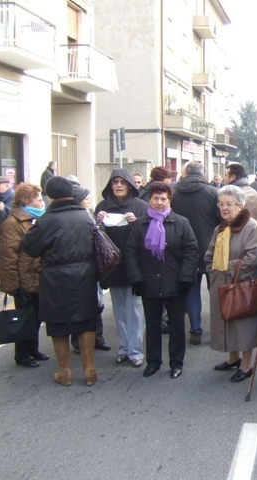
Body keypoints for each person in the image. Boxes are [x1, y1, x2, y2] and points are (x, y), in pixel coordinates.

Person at [21, 177, 98, 387]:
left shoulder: (46, 220)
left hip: (56, 277)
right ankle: (89, 369)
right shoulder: (86, 216)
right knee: (86, 321)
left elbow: (29, 247)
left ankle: (65, 372)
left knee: (58, 323)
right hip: (85, 274)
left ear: (49, 196)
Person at [125, 181, 198, 379]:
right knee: (152, 324)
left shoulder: (181, 222)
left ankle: (176, 362)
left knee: (176, 324)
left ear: (169, 200)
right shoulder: (140, 224)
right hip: (148, 281)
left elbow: (192, 251)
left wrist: (185, 277)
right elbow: (131, 252)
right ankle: (153, 362)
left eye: (163, 199)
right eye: (155, 198)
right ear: (149, 199)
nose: (159, 202)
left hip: (175, 282)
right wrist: (136, 278)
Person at [205, 185, 257, 383]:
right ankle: (233, 358)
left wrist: (225, 267)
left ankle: (247, 364)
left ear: (240, 206)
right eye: (221, 204)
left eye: (229, 204)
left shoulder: (252, 227)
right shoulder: (221, 228)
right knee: (227, 320)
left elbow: (253, 259)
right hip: (221, 283)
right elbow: (209, 256)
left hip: (243, 284)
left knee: (244, 324)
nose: (224, 208)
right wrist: (214, 271)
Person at [95, 169, 149, 367]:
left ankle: (136, 351)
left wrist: (138, 222)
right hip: (112, 266)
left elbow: (150, 233)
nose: (118, 185)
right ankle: (123, 348)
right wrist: (98, 222)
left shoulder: (140, 206)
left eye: (122, 182)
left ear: (129, 186)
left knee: (135, 309)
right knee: (118, 309)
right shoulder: (102, 206)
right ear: (110, 185)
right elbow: (96, 237)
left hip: (134, 264)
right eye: (115, 182)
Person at [0, 183, 48, 368]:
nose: (42, 203)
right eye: (38, 200)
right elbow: (7, 259)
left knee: (35, 317)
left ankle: (33, 349)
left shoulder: (31, 220)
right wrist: (14, 287)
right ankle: (22, 354)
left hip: (34, 278)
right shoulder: (12, 225)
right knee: (25, 317)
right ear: (27, 201)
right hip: (23, 280)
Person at [171, 161, 221, 346]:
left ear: (185, 173)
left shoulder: (175, 194)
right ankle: (217, 329)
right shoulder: (212, 193)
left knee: (192, 291)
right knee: (215, 290)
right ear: (202, 174)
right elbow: (221, 219)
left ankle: (195, 330)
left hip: (185, 249)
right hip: (212, 249)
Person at [70, 186, 111, 355]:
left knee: (97, 302)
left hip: (93, 265)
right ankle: (78, 342)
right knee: (79, 305)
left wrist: (101, 223)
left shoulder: (90, 215)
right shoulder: (74, 218)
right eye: (86, 198)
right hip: (79, 266)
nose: (88, 201)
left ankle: (98, 338)